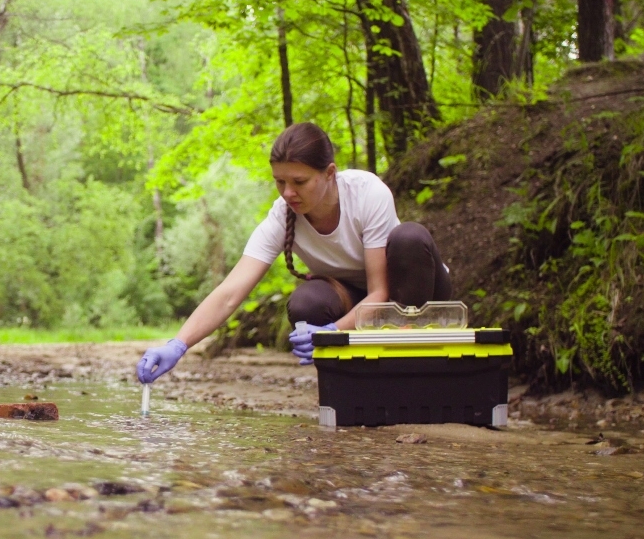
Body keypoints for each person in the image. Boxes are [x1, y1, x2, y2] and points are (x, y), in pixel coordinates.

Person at [136, 122, 452, 383]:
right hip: (355, 300)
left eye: (299, 181)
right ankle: (353, 386)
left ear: (330, 173)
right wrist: (178, 344)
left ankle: (418, 374)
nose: (288, 192)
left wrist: (331, 333)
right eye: (280, 182)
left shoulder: (367, 193)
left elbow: (381, 293)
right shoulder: (282, 215)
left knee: (410, 237)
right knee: (307, 302)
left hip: (411, 293)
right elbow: (230, 293)